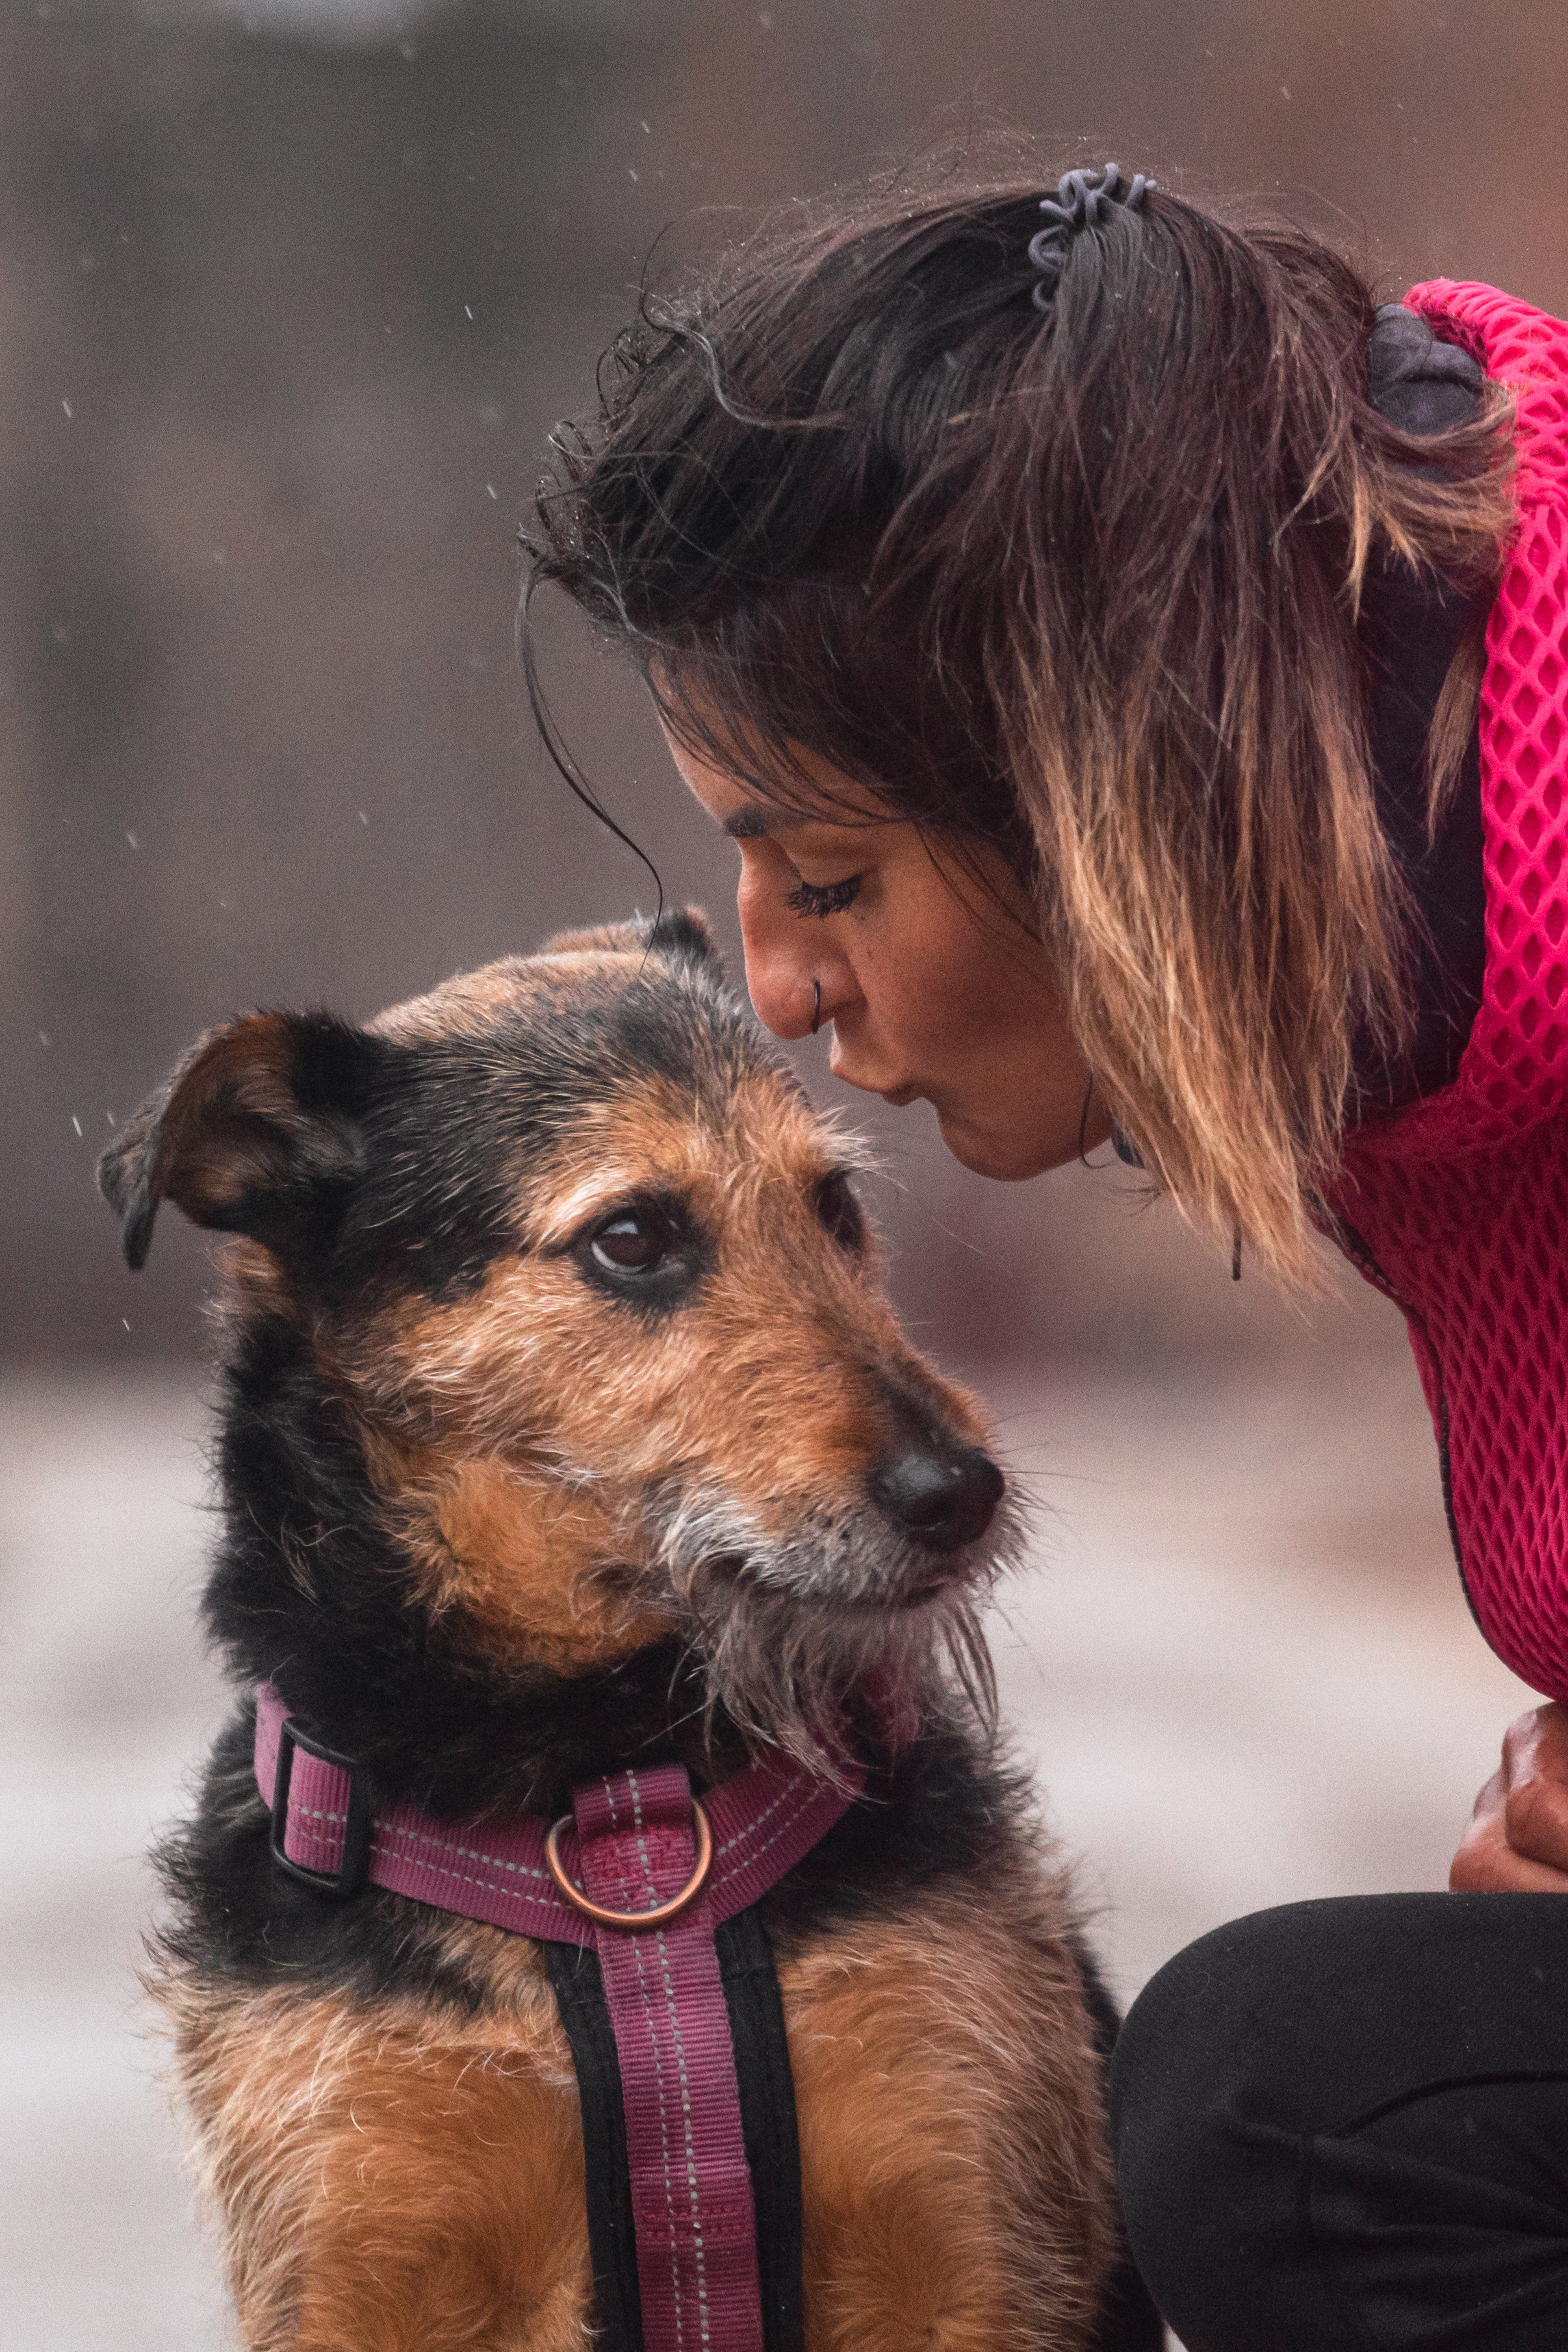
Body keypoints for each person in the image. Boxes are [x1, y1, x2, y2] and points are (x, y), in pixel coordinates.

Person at [526, 159, 1568, 2351]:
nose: (778, 989)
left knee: (1296, 2104)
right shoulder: (1413, 966)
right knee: (1310, 2097)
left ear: (1100, 775)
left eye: (825, 870)